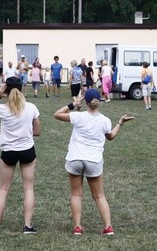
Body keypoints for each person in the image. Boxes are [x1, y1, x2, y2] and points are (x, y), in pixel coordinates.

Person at [53, 88, 134, 235]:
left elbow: (57, 114)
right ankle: (108, 227)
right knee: (99, 195)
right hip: (94, 160)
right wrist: (120, 122)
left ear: (85, 102)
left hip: (75, 158)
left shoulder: (78, 116)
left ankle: (77, 227)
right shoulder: (105, 120)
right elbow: (110, 137)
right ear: (99, 102)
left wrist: (72, 104)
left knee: (76, 194)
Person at [0, 77, 41, 234]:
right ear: (22, 88)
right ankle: (27, 226)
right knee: (28, 188)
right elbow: (37, 131)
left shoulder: (3, 108)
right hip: (27, 150)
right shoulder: (31, 107)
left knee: (3, 189)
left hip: (8, 151)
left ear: (6, 90)